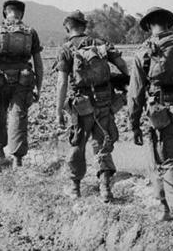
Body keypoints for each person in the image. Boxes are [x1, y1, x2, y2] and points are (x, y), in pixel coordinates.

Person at [55, 10, 129, 202]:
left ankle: (75, 188)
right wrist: (126, 81)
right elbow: (122, 64)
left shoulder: (66, 48)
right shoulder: (102, 43)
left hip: (81, 105)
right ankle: (105, 189)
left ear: (67, 27)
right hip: (104, 100)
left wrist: (58, 111)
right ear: (84, 26)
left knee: (77, 144)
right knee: (103, 143)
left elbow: (62, 83)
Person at [128, 7, 173, 220]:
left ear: (149, 26)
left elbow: (135, 93)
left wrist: (134, 125)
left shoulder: (143, 53)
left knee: (164, 160)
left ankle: (170, 209)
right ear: (169, 24)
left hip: (161, 113)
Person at [0, 0, 44, 167]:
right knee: (18, 116)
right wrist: (39, 87)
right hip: (23, 79)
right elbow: (38, 63)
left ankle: (0, 153)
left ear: (5, 12)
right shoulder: (31, 31)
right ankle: (17, 159)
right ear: (21, 14)